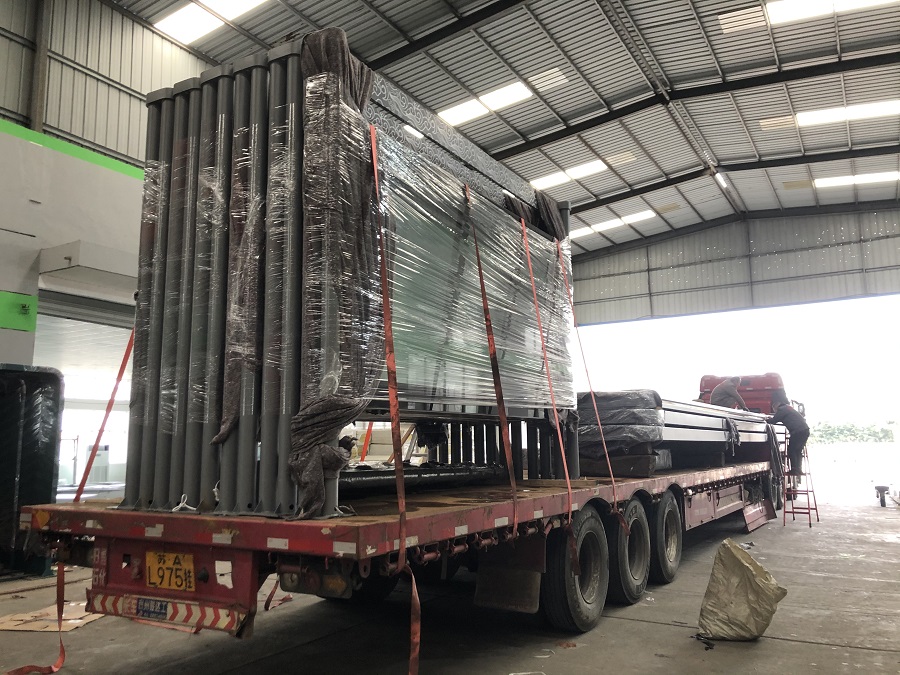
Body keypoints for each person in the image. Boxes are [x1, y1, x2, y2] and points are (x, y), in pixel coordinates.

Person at [768, 401, 810, 475]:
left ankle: (794, 469)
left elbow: (774, 420)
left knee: (792, 450)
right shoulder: (788, 408)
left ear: (775, 407)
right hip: (805, 430)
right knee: (798, 451)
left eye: (774, 410)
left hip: (797, 431)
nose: (774, 411)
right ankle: (799, 469)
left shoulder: (781, 409)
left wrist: (766, 420)